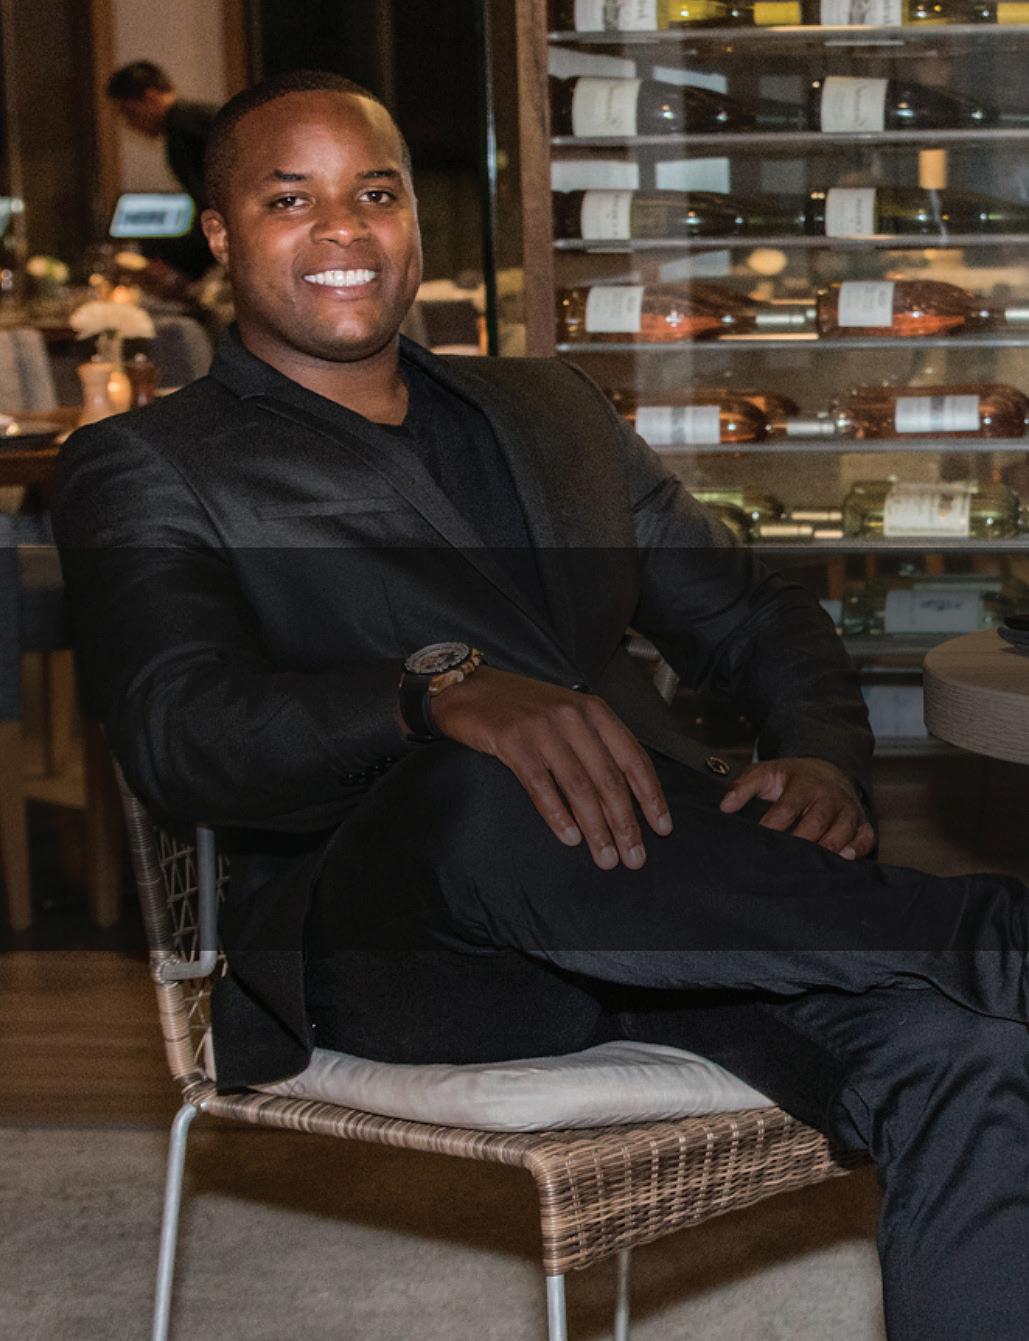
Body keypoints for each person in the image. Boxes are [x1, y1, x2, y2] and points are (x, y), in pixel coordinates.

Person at [54, 70, 1029, 1340]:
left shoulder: (552, 409)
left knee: (968, 1054)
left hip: (668, 902)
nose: (344, 229)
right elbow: (180, 732)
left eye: (376, 194)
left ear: (415, 221)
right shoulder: (149, 464)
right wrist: (430, 695)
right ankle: (990, 938)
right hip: (406, 943)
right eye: (290, 200)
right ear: (222, 235)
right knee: (484, 782)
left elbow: (751, 613)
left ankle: (977, 974)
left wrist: (822, 756)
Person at [105, 60, 217, 293]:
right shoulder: (192, 119)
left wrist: (175, 263)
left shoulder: (184, 129)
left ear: (151, 96)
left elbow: (215, 205)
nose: (129, 124)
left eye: (129, 113)